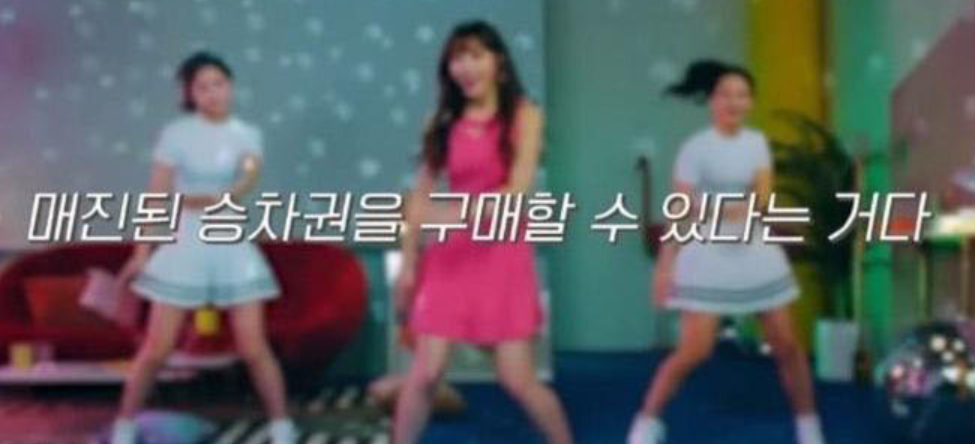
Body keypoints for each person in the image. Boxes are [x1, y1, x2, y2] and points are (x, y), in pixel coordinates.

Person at [392, 20, 573, 444]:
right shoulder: (440, 121)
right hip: (450, 258)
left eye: (476, 55)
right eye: (457, 58)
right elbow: (419, 199)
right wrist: (409, 262)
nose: (466, 67)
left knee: (517, 378)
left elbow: (518, 191)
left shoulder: (525, 115)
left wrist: (452, 215)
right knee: (425, 373)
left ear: (499, 63)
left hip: (501, 254)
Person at [627, 59, 826, 444]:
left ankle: (808, 425)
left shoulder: (757, 143)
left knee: (787, 346)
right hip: (707, 254)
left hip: (755, 251)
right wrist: (665, 267)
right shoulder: (694, 148)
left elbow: (761, 200)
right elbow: (681, 209)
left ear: (750, 102)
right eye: (725, 94)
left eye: (742, 95)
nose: (734, 102)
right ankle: (647, 422)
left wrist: (713, 208)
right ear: (712, 100)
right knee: (693, 351)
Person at [111, 51, 297, 444]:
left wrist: (222, 197)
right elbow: (156, 195)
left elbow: (249, 176)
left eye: (219, 84)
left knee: (253, 346)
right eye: (202, 87)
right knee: (157, 348)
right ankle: (124, 425)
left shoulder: (247, 133)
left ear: (231, 86)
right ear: (190, 94)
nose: (213, 93)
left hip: (230, 240)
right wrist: (142, 252)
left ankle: (282, 425)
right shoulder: (176, 134)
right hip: (186, 244)